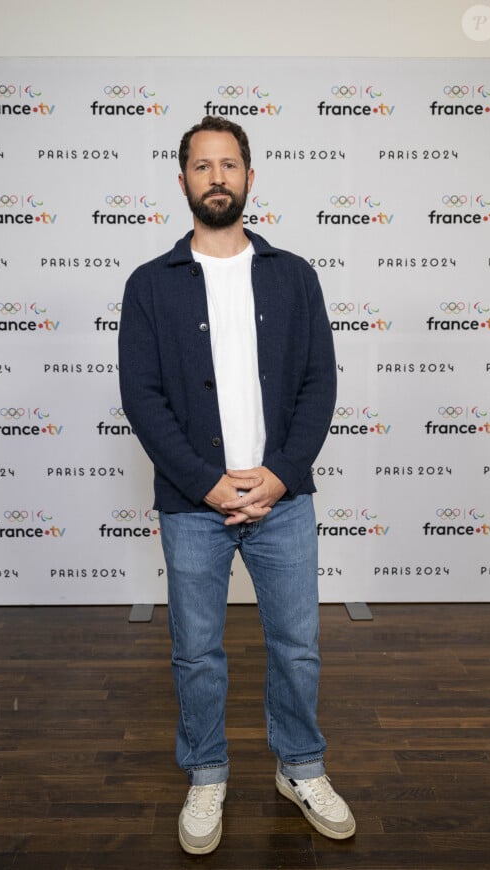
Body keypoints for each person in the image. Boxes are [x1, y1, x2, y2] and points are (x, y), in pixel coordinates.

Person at [118, 115, 355, 855]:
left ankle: (301, 767)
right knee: (196, 650)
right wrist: (207, 484)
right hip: (194, 506)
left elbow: (319, 384)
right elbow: (143, 396)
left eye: (229, 164)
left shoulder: (294, 275)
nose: (216, 176)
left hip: (284, 501)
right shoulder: (150, 286)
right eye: (201, 165)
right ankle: (209, 774)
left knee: (297, 644)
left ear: (251, 177)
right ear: (182, 179)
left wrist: (280, 476)